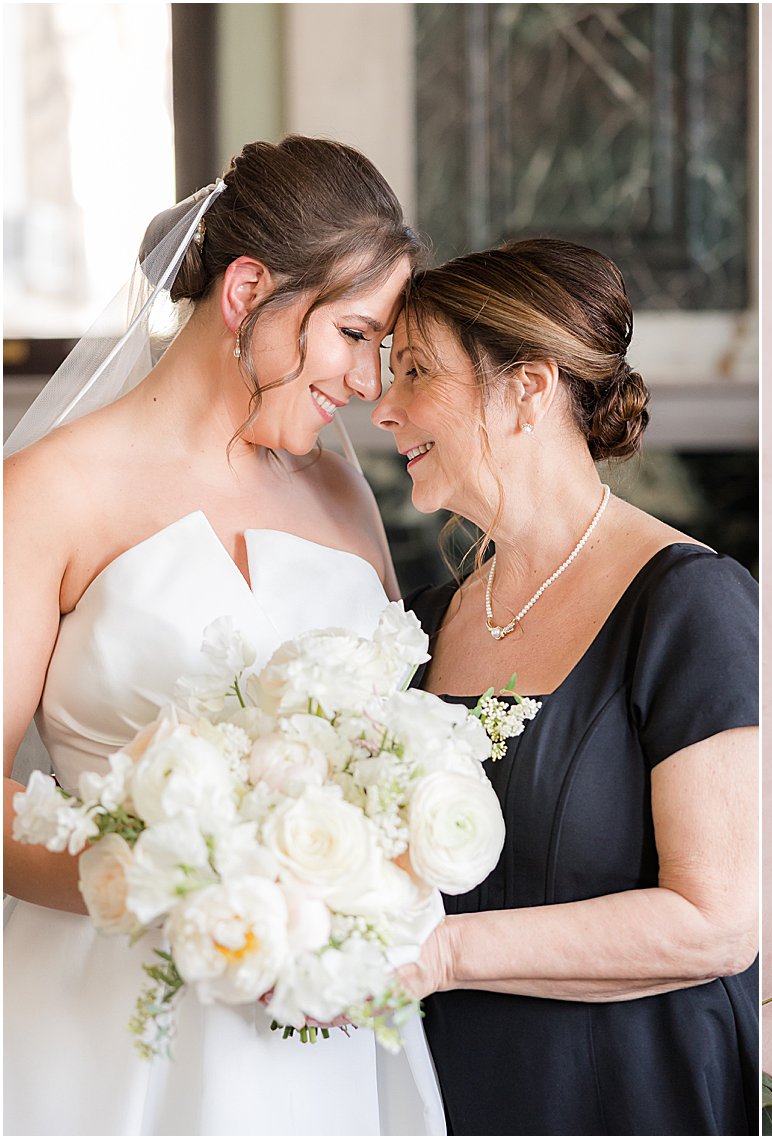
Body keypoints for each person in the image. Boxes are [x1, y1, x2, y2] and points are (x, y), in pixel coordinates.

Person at [3, 136, 445, 1134]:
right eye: (352, 333)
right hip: (107, 1017)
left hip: (323, 1024)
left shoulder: (341, 495)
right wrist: (171, 888)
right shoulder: (49, 493)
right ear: (248, 288)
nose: (369, 382)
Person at [373, 239, 759, 1136]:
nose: (384, 407)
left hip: (626, 1093)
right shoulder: (422, 624)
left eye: (418, 372)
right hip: (445, 1097)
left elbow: (717, 920)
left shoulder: (688, 605)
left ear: (529, 387)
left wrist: (448, 954)